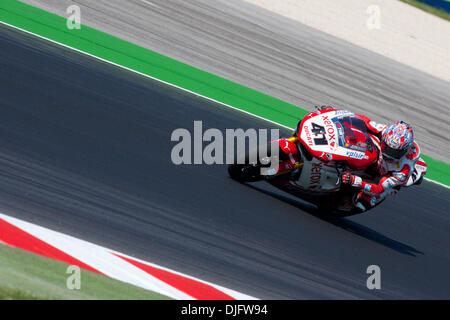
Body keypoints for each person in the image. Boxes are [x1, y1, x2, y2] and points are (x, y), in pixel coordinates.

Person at [340, 116, 420, 212]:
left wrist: (355, 181)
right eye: (388, 148)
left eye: (395, 152)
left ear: (405, 151)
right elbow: (362, 120)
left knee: (363, 203)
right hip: (375, 153)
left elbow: (379, 188)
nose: (389, 155)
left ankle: (367, 199)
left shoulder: (404, 170)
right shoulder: (383, 130)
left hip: (386, 175)